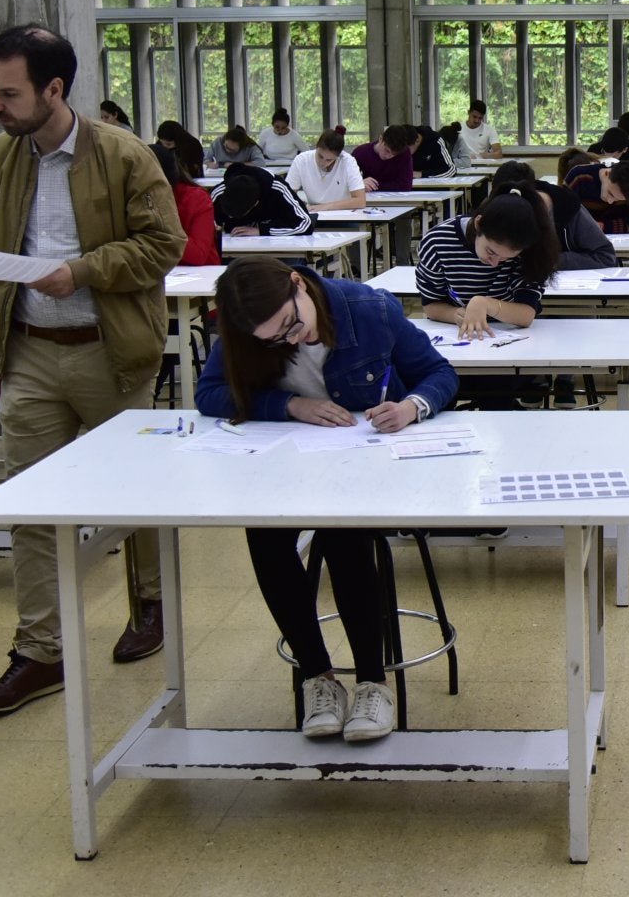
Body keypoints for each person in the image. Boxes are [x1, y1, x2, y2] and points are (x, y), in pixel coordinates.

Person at [0, 24, 186, 716]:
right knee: (30, 505)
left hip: (109, 350)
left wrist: (83, 272)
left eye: (9, 93)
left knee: (132, 496)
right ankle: (40, 652)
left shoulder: (123, 154)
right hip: (29, 350)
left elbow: (164, 245)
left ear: (53, 90)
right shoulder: (2, 158)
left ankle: (149, 604)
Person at [195, 258, 459, 743]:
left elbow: (440, 374)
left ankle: (372, 681)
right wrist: (290, 405)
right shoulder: (246, 329)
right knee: (266, 538)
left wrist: (410, 407)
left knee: (344, 536)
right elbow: (209, 394)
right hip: (289, 464)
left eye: (293, 325)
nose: (290, 341)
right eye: (274, 340)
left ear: (300, 285)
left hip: (367, 462)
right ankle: (319, 677)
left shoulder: (370, 309)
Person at [416, 189, 559, 340]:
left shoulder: (530, 251)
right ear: (478, 223)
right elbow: (430, 304)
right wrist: (454, 314)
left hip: (513, 333)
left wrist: (486, 304)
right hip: (457, 332)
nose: (494, 263)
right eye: (490, 252)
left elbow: (526, 313)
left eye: (506, 258)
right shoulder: (437, 242)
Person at [494, 160, 616, 271]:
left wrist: (553, 261)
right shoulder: (492, 209)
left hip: (562, 284)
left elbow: (605, 256)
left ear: (533, 195)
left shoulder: (567, 207)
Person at [153, 132, 222, 267]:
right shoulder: (132, 198)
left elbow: (198, 255)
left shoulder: (196, 198)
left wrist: (162, 220)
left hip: (200, 274)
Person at [213, 163, 313, 238]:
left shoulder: (278, 189)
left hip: (274, 247)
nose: (230, 217)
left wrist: (261, 230)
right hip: (233, 245)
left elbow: (305, 224)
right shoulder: (219, 192)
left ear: (255, 204)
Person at [286, 128, 367, 212]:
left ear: (338, 156)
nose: (323, 162)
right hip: (314, 213)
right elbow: (287, 194)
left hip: (343, 215)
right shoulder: (302, 160)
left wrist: (325, 206)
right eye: (320, 156)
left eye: (329, 160)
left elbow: (360, 201)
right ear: (316, 146)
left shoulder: (348, 161)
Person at [566, 158, 629, 234]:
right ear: (607, 173)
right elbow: (561, 217)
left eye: (618, 200)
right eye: (610, 193)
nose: (610, 202)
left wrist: (603, 226)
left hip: (618, 241)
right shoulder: (579, 176)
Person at [353, 125, 416, 193]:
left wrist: (373, 186)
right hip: (369, 199)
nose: (389, 156)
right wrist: (359, 183)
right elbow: (345, 180)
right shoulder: (361, 152)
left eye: (394, 154)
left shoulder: (404, 153)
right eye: (387, 150)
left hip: (395, 200)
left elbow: (406, 186)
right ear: (380, 139)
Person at [452, 99, 501, 169]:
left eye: (480, 118)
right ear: (468, 112)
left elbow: (499, 153)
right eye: (474, 117)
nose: (477, 120)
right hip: (461, 167)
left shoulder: (489, 130)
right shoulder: (458, 129)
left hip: (481, 167)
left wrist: (485, 155)